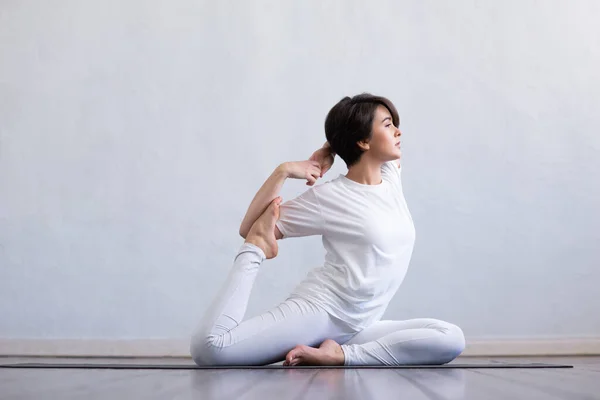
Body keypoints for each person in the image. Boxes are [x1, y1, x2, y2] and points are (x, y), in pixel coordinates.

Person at [190, 93, 465, 366]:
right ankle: (257, 253)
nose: (398, 131)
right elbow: (249, 227)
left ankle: (340, 355)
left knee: (451, 338)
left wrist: (330, 149)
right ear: (363, 141)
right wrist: (283, 172)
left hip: (360, 326)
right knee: (211, 349)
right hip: (320, 313)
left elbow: (348, 131)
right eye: (387, 124)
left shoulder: (391, 175)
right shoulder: (330, 197)